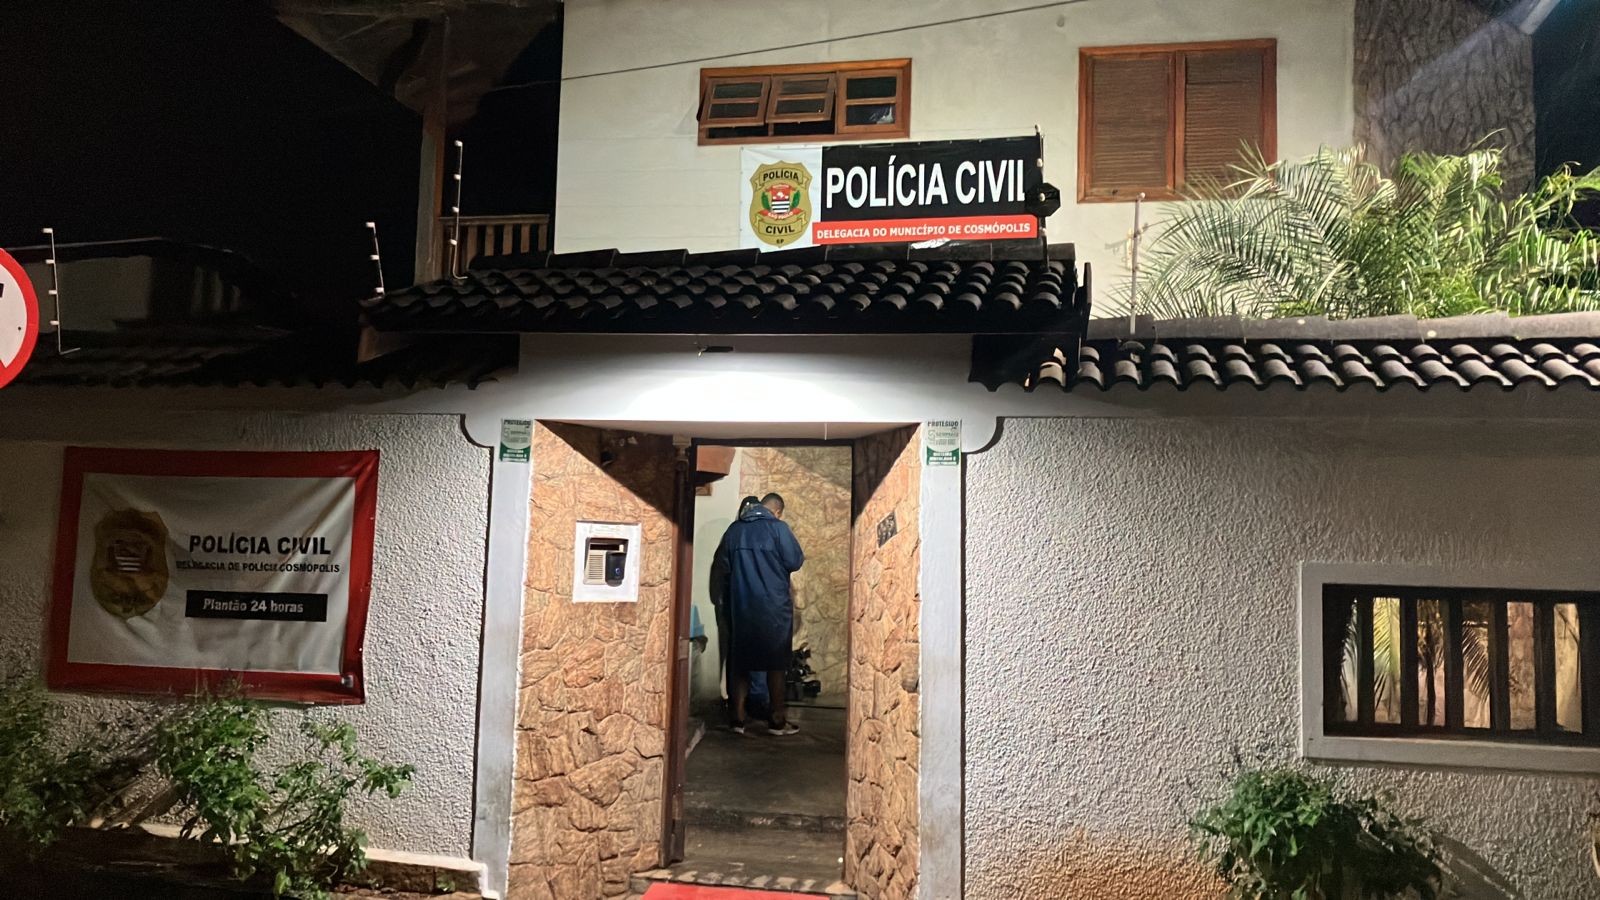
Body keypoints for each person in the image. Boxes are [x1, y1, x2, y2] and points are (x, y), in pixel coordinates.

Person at [713, 491, 804, 735]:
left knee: (741, 664)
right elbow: (795, 561)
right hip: (774, 608)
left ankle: (737, 720)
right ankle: (776, 721)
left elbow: (724, 566)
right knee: (776, 664)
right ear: (777, 511)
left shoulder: (734, 530)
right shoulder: (779, 529)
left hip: (742, 606)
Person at [710, 496, 768, 718]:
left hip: (737, 604)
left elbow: (720, 568)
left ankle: (740, 705)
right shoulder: (765, 535)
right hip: (752, 605)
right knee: (755, 654)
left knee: (738, 655)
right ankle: (753, 701)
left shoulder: (733, 534)